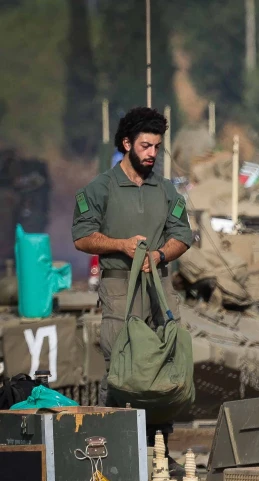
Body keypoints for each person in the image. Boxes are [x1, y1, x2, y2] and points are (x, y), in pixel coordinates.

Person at [72, 106, 192, 454]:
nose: (152, 153)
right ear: (127, 144)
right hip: (119, 287)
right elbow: (82, 237)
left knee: (162, 364)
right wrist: (120, 245)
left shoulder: (167, 190)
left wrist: (159, 255)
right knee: (121, 365)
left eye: (156, 146)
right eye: (145, 146)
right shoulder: (100, 189)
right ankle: (112, 455)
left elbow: (182, 234)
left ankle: (159, 453)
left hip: (158, 284)